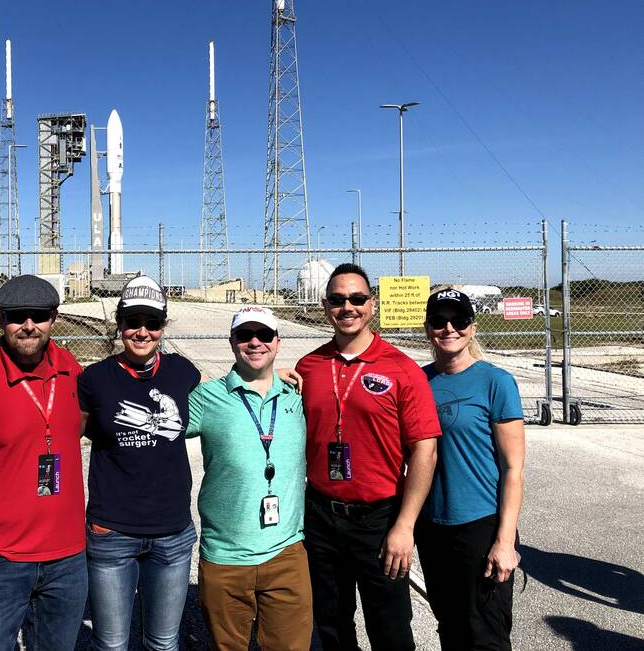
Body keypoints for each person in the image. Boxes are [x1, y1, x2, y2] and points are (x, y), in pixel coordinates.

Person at [296, 263, 441, 651]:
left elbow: (425, 448)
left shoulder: (402, 369)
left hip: (379, 518)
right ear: (326, 306)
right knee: (330, 622)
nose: (348, 307)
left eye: (357, 299)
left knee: (390, 626)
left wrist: (405, 526)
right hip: (321, 515)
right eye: (338, 299)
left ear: (371, 305)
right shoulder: (308, 367)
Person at [0, 275, 86, 651]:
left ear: (54, 318)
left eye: (38, 316)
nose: (28, 326)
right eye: (17, 316)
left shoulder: (72, 370)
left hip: (67, 555)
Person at [78, 275, 200, 651]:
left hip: (172, 533)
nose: (142, 331)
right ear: (119, 324)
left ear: (163, 326)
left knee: (163, 642)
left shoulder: (184, 372)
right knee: (112, 643)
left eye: (152, 322)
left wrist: (272, 378)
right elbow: (69, 437)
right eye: (133, 322)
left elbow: (227, 396)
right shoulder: (95, 379)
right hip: (112, 532)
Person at [187, 305, 311, 651]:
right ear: (232, 342)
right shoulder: (207, 399)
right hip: (225, 557)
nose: (255, 342)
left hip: (286, 553)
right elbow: (158, 429)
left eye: (264, 335)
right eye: (245, 335)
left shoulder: (297, 396)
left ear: (277, 341)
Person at [416, 288, 525, 650]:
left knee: (485, 634)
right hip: (432, 526)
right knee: (449, 626)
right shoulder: (419, 382)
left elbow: (513, 469)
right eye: (439, 321)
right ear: (428, 328)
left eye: (459, 320)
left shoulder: (495, 382)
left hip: (480, 524)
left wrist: (505, 541)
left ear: (473, 328)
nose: (449, 328)